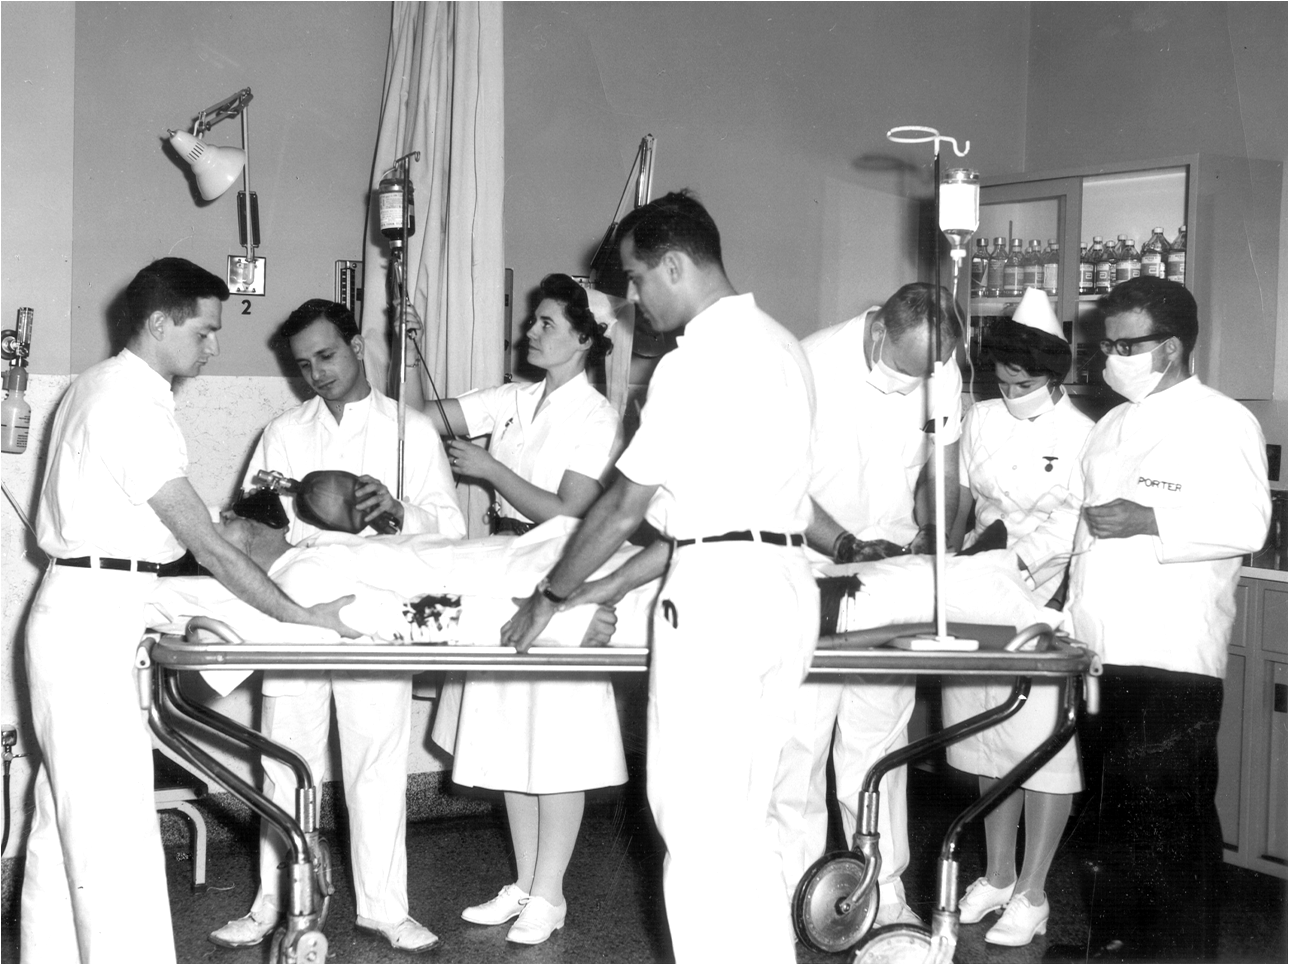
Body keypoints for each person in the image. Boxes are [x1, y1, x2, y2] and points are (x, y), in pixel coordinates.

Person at [502, 191, 819, 964]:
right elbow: (726, 511)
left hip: (718, 597)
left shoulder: (692, 363)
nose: (631, 300)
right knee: (743, 821)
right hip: (782, 583)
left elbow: (620, 508)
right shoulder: (784, 347)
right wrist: (597, 587)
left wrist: (548, 596)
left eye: (638, 279)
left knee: (695, 821)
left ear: (674, 265)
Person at [20, 258, 355, 965]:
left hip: (92, 605)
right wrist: (301, 616)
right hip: (91, 616)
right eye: (204, 331)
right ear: (159, 322)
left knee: (64, 827)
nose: (213, 347)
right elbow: (206, 545)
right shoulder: (125, 402)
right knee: (110, 832)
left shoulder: (106, 387)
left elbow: (182, 538)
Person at [211, 299, 464, 954]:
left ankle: (384, 907)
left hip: (373, 607)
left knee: (375, 761)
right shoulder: (283, 433)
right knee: (281, 761)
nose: (316, 373)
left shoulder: (411, 430)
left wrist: (400, 512)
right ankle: (271, 903)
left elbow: (452, 530)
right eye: (303, 365)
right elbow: (251, 528)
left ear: (356, 345)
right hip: (297, 608)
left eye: (327, 356)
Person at [1066, 276, 1270, 962]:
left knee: (1167, 829)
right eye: (1104, 345)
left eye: (1126, 344)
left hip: (1172, 657)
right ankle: (1115, 948)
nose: (1108, 358)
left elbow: (1247, 522)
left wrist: (1149, 518)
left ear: (1172, 346)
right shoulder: (1110, 427)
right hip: (1103, 651)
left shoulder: (1221, 420)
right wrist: (1065, 620)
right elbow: (1086, 542)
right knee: (1108, 823)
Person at [425, 273, 624, 945]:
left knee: (555, 738)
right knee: (510, 736)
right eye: (532, 321)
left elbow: (571, 508)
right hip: (503, 564)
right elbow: (431, 416)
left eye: (544, 323)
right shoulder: (515, 398)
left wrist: (490, 472)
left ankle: (552, 892)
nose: (529, 332)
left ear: (585, 338)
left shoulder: (594, 415)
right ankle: (524, 883)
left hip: (558, 567)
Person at [772, 282, 964, 926]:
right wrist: (849, 542)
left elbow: (944, 468)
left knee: (877, 743)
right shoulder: (806, 364)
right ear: (879, 330)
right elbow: (780, 488)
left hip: (891, 576)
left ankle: (881, 894)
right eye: (907, 370)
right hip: (813, 564)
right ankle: (794, 892)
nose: (914, 383)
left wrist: (939, 536)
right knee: (798, 740)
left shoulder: (941, 367)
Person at [940, 289, 1093, 947]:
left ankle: (1033, 891)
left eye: (1023, 382)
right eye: (1000, 380)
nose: (1010, 391)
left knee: (1042, 749)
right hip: (981, 593)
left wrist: (1061, 604)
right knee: (985, 737)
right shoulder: (979, 417)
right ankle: (997, 874)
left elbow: (1083, 532)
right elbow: (966, 502)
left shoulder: (1084, 435)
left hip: (1044, 599)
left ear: (1053, 377)